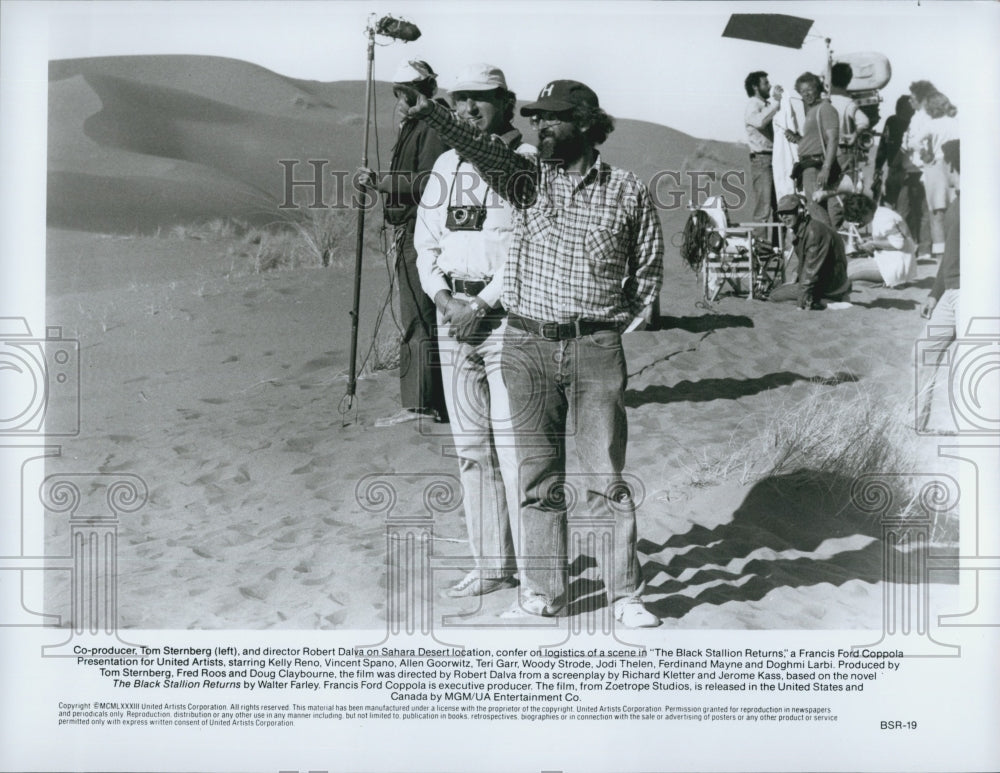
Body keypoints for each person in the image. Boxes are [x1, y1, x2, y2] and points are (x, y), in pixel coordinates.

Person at [394, 78, 664, 628]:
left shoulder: (628, 189)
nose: (540, 127)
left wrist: (607, 323)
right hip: (526, 344)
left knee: (603, 476)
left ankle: (625, 594)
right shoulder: (525, 179)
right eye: (535, 117)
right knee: (538, 478)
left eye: (553, 118)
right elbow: (481, 148)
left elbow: (648, 269)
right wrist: (435, 115)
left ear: (587, 123)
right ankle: (541, 591)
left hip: (594, 348)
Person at [413, 63, 534, 597]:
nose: (468, 110)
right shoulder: (444, 163)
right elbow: (425, 244)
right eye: (460, 100)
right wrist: (443, 298)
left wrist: (482, 303)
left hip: (504, 318)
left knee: (512, 448)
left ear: (506, 103)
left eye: (480, 99)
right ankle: (490, 564)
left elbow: (526, 249)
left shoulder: (524, 164)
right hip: (451, 316)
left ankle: (533, 571)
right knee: (471, 449)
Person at [360, 60, 449, 427]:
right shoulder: (417, 124)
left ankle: (419, 405)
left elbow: (428, 182)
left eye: (404, 91)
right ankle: (435, 401)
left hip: (421, 229)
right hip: (411, 228)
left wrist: (380, 182)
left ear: (417, 90)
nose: (399, 97)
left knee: (418, 318)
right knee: (422, 316)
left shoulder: (431, 124)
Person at [916, 139, 960, 432]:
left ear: (952, 164)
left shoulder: (985, 199)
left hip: (975, 292)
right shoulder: (958, 201)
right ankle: (917, 423)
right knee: (923, 350)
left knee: (974, 362)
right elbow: (949, 255)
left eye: (943, 163)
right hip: (951, 292)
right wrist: (934, 293)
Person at [769, 194, 852, 309]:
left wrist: (801, 304)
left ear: (800, 211)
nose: (784, 217)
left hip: (831, 287)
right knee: (783, 290)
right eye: (781, 214)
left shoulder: (813, 232)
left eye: (788, 212)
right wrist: (795, 277)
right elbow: (808, 261)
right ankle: (822, 299)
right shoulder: (808, 228)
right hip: (834, 281)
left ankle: (823, 302)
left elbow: (810, 273)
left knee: (774, 296)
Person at [789, 72, 842, 227]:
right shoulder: (812, 111)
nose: (806, 93)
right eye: (802, 91)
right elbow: (816, 141)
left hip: (816, 167)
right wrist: (799, 140)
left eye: (809, 89)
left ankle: (827, 246)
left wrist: (826, 168)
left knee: (817, 211)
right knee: (816, 209)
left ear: (818, 89)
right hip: (808, 166)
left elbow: (833, 139)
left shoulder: (825, 109)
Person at [841, 193, 916, 288]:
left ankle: (891, 282)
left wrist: (873, 243)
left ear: (865, 212)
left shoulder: (883, 219)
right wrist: (870, 241)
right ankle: (884, 283)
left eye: (859, 219)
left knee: (847, 273)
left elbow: (899, 243)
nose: (860, 223)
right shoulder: (882, 213)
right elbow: (893, 238)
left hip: (895, 266)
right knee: (849, 268)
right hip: (897, 262)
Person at [900, 80, 938, 259]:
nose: (909, 101)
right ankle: (918, 246)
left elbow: (921, 143)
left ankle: (924, 249)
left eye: (912, 97)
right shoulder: (916, 117)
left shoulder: (926, 117)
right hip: (912, 169)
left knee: (922, 210)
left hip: (922, 169)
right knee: (913, 210)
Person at [743, 71, 783, 240]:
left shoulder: (765, 104)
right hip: (762, 159)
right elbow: (759, 121)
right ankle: (760, 248)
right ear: (756, 87)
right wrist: (775, 103)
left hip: (773, 158)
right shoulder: (753, 104)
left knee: (778, 206)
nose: (769, 86)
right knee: (764, 207)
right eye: (765, 83)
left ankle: (776, 247)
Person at [919, 92, 959, 261]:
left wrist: (926, 153)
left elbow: (915, 142)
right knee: (955, 206)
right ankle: (954, 246)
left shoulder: (930, 125)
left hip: (936, 165)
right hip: (956, 164)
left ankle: (941, 250)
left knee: (937, 210)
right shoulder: (955, 123)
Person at [827, 63, 871, 193]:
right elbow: (864, 121)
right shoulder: (847, 103)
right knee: (844, 189)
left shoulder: (825, 101)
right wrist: (854, 135)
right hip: (843, 151)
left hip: (825, 150)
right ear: (849, 80)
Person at [874, 95, 916, 208]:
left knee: (906, 206)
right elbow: (883, 145)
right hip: (894, 169)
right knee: (888, 203)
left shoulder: (915, 124)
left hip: (909, 171)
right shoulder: (891, 121)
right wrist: (877, 168)